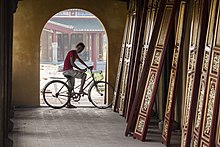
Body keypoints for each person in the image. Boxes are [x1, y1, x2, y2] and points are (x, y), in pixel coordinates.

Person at [63, 42, 92, 108]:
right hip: (68, 71)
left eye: (81, 49)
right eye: (79, 48)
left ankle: (68, 104)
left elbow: (80, 60)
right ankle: (81, 90)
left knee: (70, 88)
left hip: (69, 71)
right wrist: (80, 69)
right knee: (84, 75)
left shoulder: (75, 54)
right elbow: (72, 63)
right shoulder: (72, 52)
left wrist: (87, 66)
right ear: (76, 47)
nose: (79, 50)